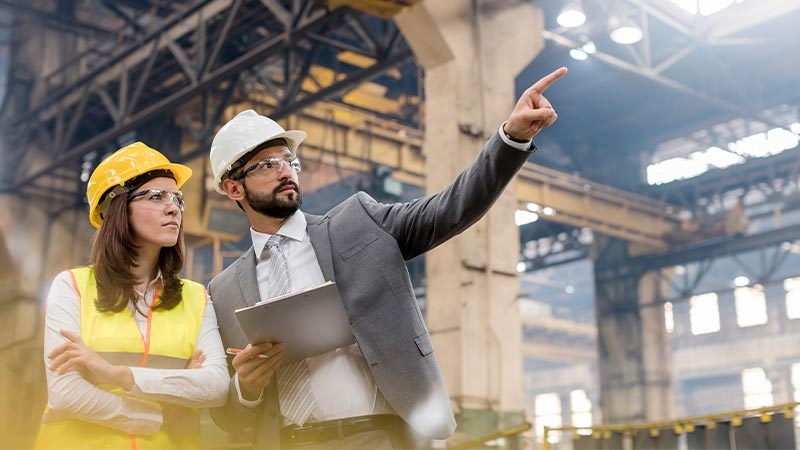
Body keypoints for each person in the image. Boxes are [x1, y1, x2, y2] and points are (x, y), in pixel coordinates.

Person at [207, 66, 568, 449]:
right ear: (233, 188)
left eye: (289, 161)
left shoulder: (357, 223)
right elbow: (226, 416)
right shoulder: (225, 291)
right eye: (267, 165)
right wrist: (245, 388)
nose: (286, 171)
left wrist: (510, 137)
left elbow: (450, 209)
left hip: (380, 437)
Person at [34, 142, 229, 449]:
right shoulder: (71, 286)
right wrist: (160, 412)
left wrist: (116, 375)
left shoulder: (196, 297)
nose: (173, 207)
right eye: (156, 196)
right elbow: (66, 393)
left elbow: (216, 387)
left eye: (177, 198)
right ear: (117, 208)